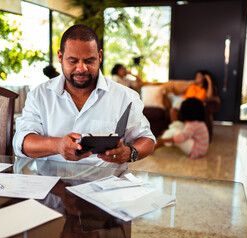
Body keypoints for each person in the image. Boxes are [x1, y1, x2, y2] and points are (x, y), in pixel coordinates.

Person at [13, 24, 155, 169]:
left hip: (107, 185)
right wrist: (58, 145)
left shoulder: (126, 97)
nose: (81, 69)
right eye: (73, 61)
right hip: (53, 185)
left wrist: (130, 152)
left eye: (89, 61)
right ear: (60, 57)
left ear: (100, 57)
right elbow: (21, 142)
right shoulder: (39, 95)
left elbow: (147, 140)